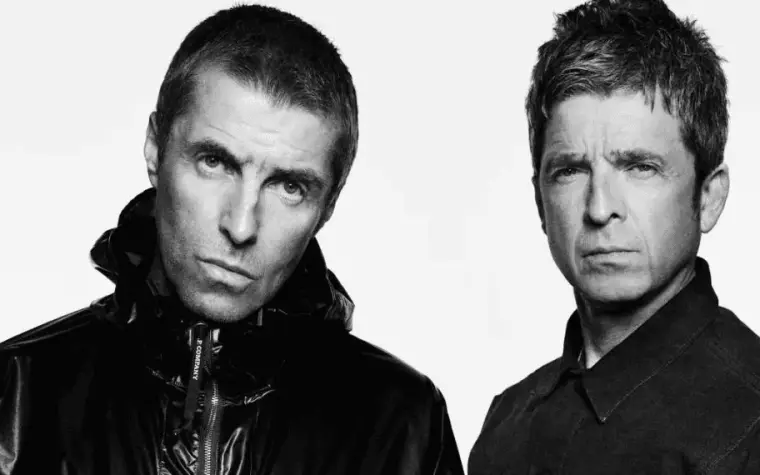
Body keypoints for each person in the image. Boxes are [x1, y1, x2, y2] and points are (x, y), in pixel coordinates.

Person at [0, 5, 464, 475]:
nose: (241, 227)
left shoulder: (403, 426)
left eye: (289, 187)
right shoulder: (15, 398)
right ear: (156, 148)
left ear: (328, 206)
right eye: (215, 162)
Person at [468, 0, 760, 473]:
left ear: (708, 197)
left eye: (640, 167)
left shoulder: (751, 421)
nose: (600, 208)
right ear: (540, 202)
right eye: (570, 170)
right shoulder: (507, 425)